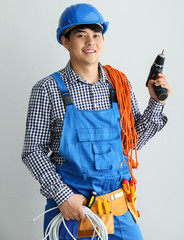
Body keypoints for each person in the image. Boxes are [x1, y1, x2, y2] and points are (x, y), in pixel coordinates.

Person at [21, 3, 170, 240]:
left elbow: (131, 142)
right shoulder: (47, 89)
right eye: (81, 35)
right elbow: (33, 151)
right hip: (72, 210)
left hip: (117, 206)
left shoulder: (119, 84)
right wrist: (63, 196)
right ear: (65, 41)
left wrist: (155, 102)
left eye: (96, 35)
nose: (91, 42)